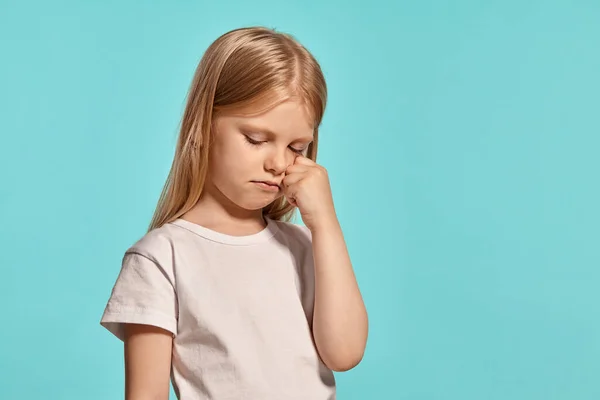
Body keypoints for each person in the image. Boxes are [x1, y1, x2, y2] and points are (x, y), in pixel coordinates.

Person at [100, 26, 368, 400]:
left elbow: (345, 353)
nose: (277, 162)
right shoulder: (161, 258)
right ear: (204, 125)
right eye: (256, 139)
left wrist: (326, 225)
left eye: (297, 147)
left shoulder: (306, 246)